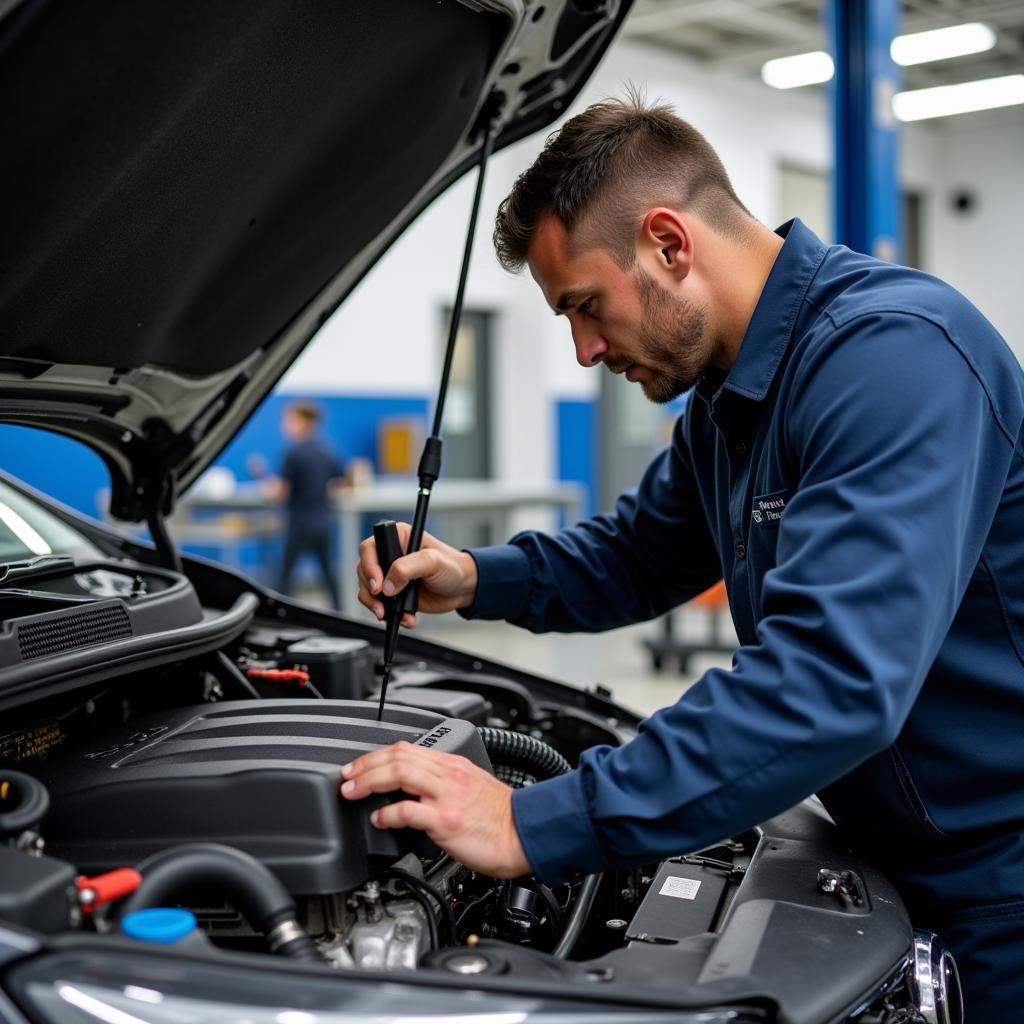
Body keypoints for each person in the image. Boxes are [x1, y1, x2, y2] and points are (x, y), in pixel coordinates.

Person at [342, 97, 1024, 1015]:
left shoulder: (893, 357)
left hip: (1002, 878)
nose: (583, 351)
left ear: (668, 242)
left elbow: (830, 683)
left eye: (585, 306)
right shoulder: (726, 405)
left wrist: (529, 820)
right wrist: (474, 576)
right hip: (890, 853)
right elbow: (636, 556)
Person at [265, 401, 346, 608]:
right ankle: (341, 612)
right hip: (322, 521)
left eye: (290, 420)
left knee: (285, 576)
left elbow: (282, 493)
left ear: (303, 423)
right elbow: (341, 482)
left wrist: (272, 489)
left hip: (299, 523)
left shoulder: (293, 453)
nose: (286, 425)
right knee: (328, 574)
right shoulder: (326, 451)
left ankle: (279, 611)